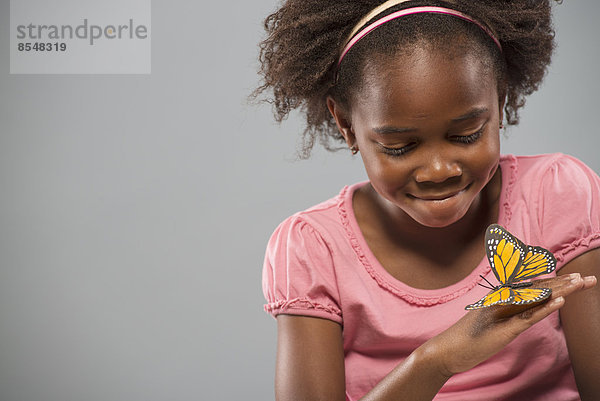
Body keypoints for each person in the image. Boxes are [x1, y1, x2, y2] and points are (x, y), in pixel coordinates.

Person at [255, 1, 600, 400]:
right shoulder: (313, 249)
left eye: (467, 135)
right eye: (399, 146)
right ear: (347, 125)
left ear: (500, 101)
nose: (439, 170)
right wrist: (436, 360)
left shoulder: (556, 192)